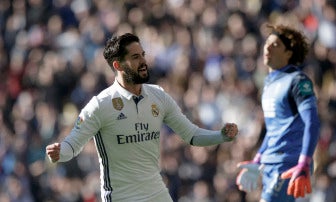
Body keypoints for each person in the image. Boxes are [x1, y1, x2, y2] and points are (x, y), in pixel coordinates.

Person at [46, 33, 239, 202]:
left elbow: (192, 135)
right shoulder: (101, 104)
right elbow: (73, 144)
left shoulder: (158, 96)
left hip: (156, 192)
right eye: (136, 57)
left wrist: (221, 136)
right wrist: (60, 152)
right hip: (122, 196)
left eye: (143, 55)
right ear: (118, 65)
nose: (144, 62)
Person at [235, 24, 320, 202]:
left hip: (289, 163)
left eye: (275, 45)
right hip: (271, 163)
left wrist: (304, 162)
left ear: (288, 53)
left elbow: (312, 122)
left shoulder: (297, 81)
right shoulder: (268, 85)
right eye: (267, 43)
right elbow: (274, 130)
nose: (267, 47)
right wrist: (258, 158)